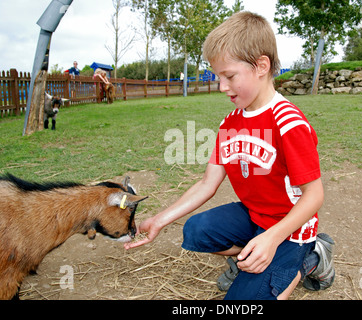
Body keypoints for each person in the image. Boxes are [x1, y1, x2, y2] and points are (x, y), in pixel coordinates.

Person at [125, 11, 335, 300]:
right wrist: (160, 219)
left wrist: (272, 238)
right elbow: (207, 184)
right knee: (195, 231)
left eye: (230, 76)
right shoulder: (230, 122)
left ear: (261, 66)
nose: (222, 87)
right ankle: (253, 255)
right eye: (218, 77)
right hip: (254, 216)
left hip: (289, 229)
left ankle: (309, 260)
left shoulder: (288, 122)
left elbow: (314, 196)